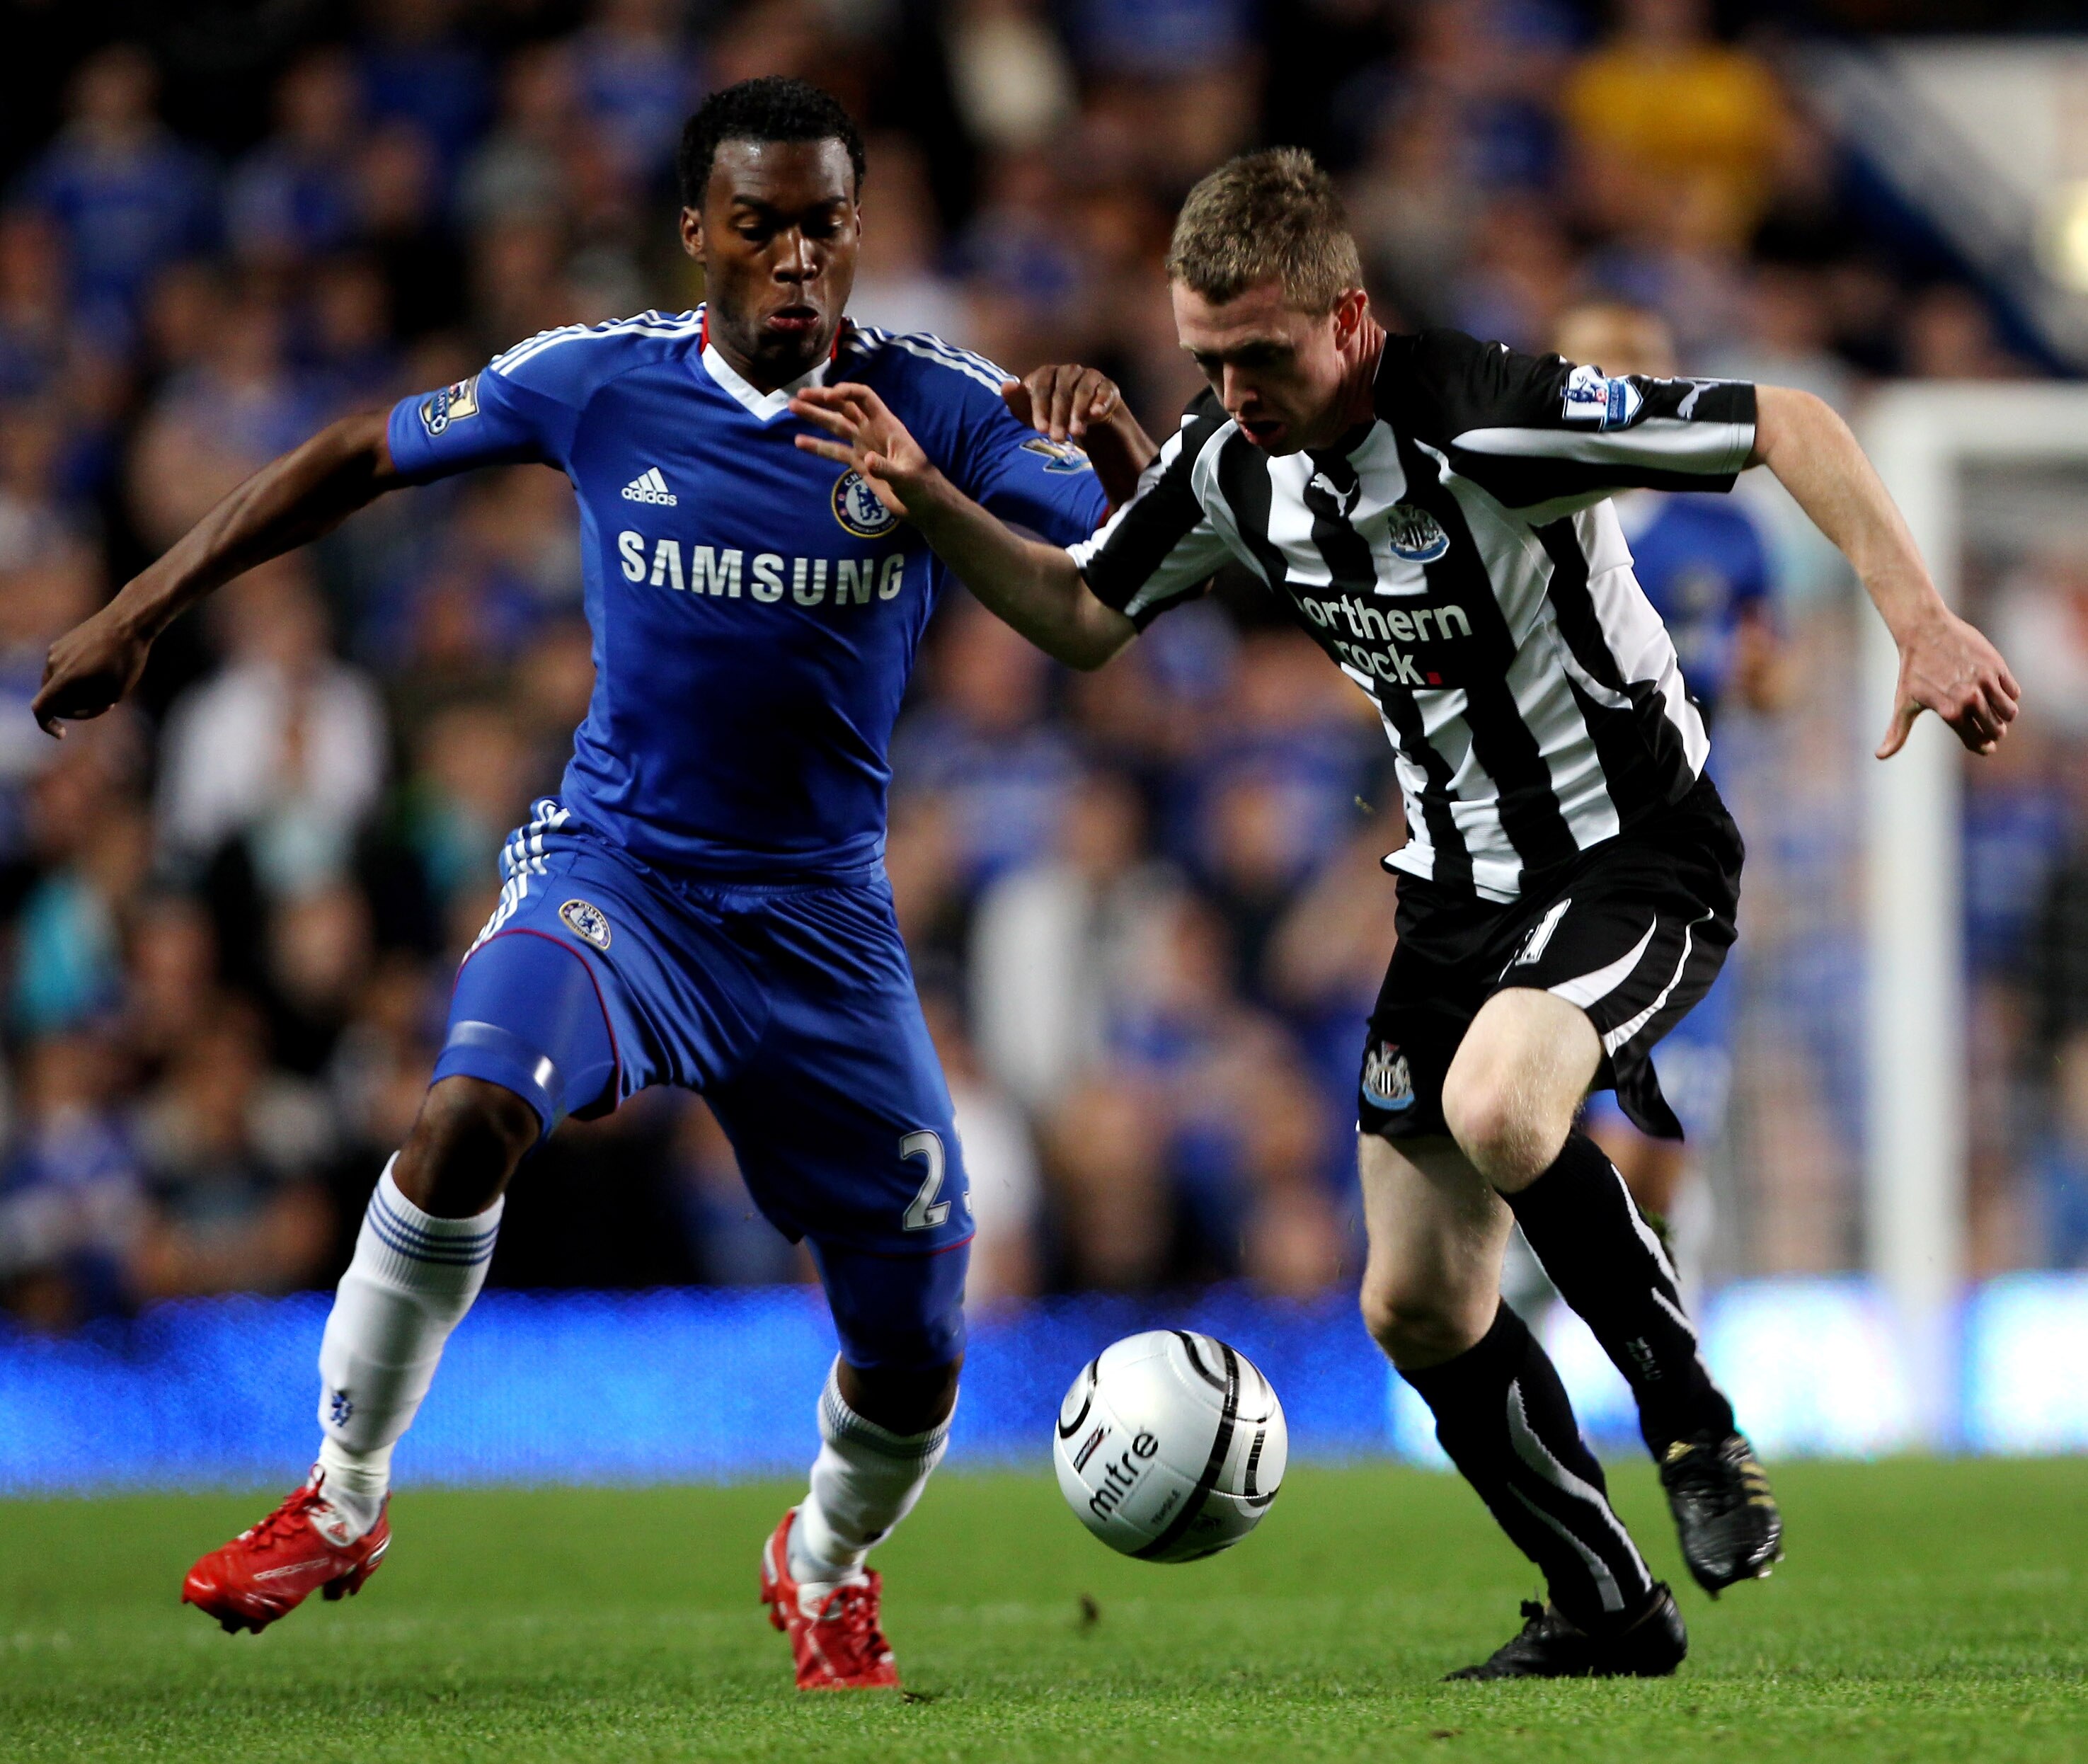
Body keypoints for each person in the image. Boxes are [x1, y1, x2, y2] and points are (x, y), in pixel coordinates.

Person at [788, 147, 2019, 1679]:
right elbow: (1081, 615)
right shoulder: (1230, 464)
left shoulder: (1493, 412)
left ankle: (1695, 1426)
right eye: (1206, 359)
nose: (1232, 389)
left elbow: (1788, 420)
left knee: (1503, 1105)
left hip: (1632, 856)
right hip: (1453, 902)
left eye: (1260, 355)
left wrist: (1915, 615)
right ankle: (1604, 1605)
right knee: (1415, 1305)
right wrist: (925, 499)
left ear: (1349, 321)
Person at [33, 77, 1140, 1693]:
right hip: (625, 870)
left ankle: (822, 1559)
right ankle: (344, 1497)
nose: (793, 259)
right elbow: (360, 450)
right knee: (463, 1112)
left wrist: (1125, 455)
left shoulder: (942, 405)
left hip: (823, 925)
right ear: (697, 230)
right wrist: (143, 603)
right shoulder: (600, 381)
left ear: (857, 231)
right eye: (757, 224)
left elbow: (1100, 582)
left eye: (824, 223)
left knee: (912, 1351)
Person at [1554, 299, 1784, 1283]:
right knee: (1567, 1107)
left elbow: (1775, 678)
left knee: (1663, 1133)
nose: (1619, 385)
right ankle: (1560, 1300)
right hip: (1557, 834)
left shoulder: (1721, 530)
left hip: (1684, 841)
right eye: (1600, 364)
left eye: (1638, 364)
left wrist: (1751, 669)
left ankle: (1649, 1314)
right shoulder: (1527, 511)